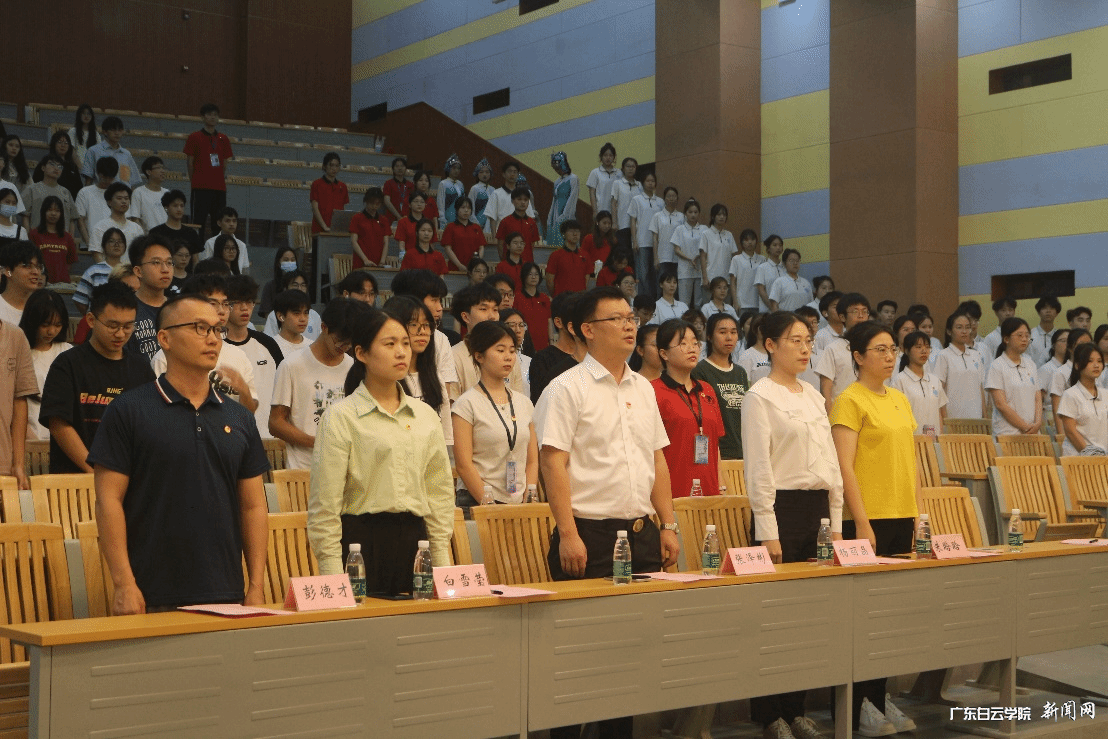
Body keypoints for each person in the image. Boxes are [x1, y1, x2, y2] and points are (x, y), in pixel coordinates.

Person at [535, 286, 680, 739]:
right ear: (587, 330)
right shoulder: (566, 388)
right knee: (578, 657)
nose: (629, 326)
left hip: (641, 534)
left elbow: (657, 459)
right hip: (590, 535)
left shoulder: (644, 388)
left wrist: (668, 525)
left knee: (629, 657)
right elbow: (552, 462)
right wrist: (568, 533)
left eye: (631, 318)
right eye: (616, 319)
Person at [90, 294, 269, 614]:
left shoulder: (240, 417)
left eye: (216, 329)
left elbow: (253, 506)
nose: (213, 338)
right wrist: (124, 583)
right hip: (150, 591)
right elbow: (108, 501)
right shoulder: (128, 410)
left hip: (226, 590)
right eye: (200, 328)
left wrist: (256, 585)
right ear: (165, 339)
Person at [742, 310, 843, 739]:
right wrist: (768, 530)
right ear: (770, 345)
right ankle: (770, 715)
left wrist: (836, 523)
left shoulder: (815, 396)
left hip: (818, 510)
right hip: (781, 511)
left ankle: (796, 709)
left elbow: (831, 463)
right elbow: (759, 468)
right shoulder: (759, 396)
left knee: (807, 619)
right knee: (774, 619)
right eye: (795, 341)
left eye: (809, 341)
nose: (805, 349)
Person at [308, 303, 453, 596]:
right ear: (361, 353)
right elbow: (325, 507)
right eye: (390, 344)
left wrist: (442, 565)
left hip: (416, 544)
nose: (401, 352)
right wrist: (332, 577)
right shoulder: (341, 417)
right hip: (361, 547)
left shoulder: (425, 416)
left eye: (405, 343)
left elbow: (439, 496)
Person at [829, 321, 919, 737]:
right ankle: (857, 703)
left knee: (891, 617)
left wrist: (918, 516)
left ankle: (880, 698)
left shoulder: (900, 398)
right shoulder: (849, 400)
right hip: (866, 519)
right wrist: (861, 522)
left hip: (902, 516)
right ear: (858, 356)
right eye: (880, 349)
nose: (889, 356)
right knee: (863, 615)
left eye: (892, 349)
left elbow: (909, 462)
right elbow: (844, 467)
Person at [40, 282, 155, 473]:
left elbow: (149, 425)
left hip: (126, 478)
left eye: (128, 326)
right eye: (112, 326)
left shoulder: (141, 368)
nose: (120, 334)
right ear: (91, 320)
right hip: (76, 478)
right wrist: (94, 471)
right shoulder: (67, 364)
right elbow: (59, 424)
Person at [453, 320, 539, 505]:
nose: (508, 357)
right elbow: (464, 465)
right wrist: (489, 505)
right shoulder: (466, 404)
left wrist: (529, 498)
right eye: (500, 350)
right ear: (479, 356)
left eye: (512, 351)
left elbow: (532, 460)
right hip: (478, 501)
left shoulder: (524, 403)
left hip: (519, 501)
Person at [270, 298, 361, 470]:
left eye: (350, 342)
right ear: (324, 327)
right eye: (340, 340)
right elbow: (275, 423)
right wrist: (318, 442)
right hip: (303, 470)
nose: (344, 346)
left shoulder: (353, 368)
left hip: (344, 469)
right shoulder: (292, 365)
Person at [652, 319, 726, 498]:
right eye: (683, 344)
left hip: (710, 491)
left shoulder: (707, 389)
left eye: (695, 343)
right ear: (664, 353)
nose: (692, 348)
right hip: (672, 493)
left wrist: (722, 487)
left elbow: (715, 446)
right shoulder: (652, 391)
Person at [382, 296, 451, 449]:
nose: (423, 332)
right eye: (413, 325)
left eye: (426, 325)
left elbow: (445, 438)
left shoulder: (435, 378)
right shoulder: (382, 380)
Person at [224, 275, 283, 437]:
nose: (245, 308)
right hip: (229, 435)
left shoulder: (267, 344)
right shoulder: (214, 346)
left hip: (268, 434)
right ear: (225, 305)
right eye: (237, 302)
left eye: (249, 301)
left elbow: (284, 389)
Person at [450, 283, 525, 395]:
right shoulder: (454, 356)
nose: (492, 316)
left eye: (495, 309)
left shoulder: (509, 355)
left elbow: (519, 398)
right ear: (466, 317)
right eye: (484, 309)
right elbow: (452, 403)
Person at [693, 313, 749, 460]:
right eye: (722, 332)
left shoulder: (740, 372)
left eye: (733, 332)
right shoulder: (700, 371)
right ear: (709, 336)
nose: (729, 337)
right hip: (715, 452)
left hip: (742, 450)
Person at [20, 290, 71, 441]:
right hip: (29, 436)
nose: (51, 331)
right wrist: (31, 439)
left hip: (64, 438)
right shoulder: (20, 352)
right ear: (32, 321)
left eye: (58, 325)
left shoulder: (67, 351)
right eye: (45, 324)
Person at [184, 103, 234, 237]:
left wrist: (217, 178)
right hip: (200, 187)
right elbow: (190, 163)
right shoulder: (194, 137)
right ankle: (197, 250)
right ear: (203, 117)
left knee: (218, 224)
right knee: (198, 223)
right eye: (209, 114)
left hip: (219, 188)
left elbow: (224, 164)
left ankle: (216, 250)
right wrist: (195, 181)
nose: (213, 117)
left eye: (215, 115)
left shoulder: (223, 138)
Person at [815, 293, 872, 411]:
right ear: (842, 317)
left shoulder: (874, 347)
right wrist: (830, 416)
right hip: (843, 413)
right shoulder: (833, 349)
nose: (861, 316)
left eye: (864, 311)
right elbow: (826, 388)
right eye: (855, 311)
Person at [986, 317, 1042, 436]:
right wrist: (1025, 427)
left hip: (1033, 432)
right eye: (1019, 335)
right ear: (1006, 339)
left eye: (1027, 336)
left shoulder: (1031, 364)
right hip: (1007, 433)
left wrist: (1037, 423)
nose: (1024, 339)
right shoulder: (997, 366)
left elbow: (1037, 398)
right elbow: (1001, 404)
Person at [125, 235, 173, 362]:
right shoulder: (126, 309)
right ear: (138, 271)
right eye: (156, 262)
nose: (165, 269)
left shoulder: (179, 308)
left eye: (169, 263)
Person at [529, 291, 582, 403]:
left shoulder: (593, 356)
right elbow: (539, 403)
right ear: (558, 322)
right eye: (576, 317)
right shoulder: (542, 360)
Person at [891, 331, 947, 435]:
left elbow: (939, 413)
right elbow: (896, 416)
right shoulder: (899, 381)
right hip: (911, 440)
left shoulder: (935, 380)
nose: (924, 351)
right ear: (906, 350)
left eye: (927, 347)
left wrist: (940, 439)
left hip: (934, 441)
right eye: (918, 347)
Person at [934, 311, 987, 419]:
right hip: (953, 419)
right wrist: (944, 419)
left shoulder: (976, 355)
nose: (964, 331)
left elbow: (980, 388)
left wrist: (985, 417)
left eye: (967, 327)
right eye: (959, 327)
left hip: (976, 418)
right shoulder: (943, 355)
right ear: (949, 331)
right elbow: (939, 390)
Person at [1058, 343, 1107, 457]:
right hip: (1078, 458)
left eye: (1099, 361)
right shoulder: (1070, 395)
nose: (1096, 365)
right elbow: (1070, 432)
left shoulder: (1105, 394)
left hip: (1103, 458)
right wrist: (1092, 455)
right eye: (1090, 361)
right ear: (1077, 365)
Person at [1047, 329, 1092, 432]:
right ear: (1070, 348)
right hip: (1071, 429)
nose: (1086, 348)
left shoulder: (1094, 370)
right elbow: (1057, 407)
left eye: (1089, 344)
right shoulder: (1061, 373)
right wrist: (1061, 434)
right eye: (1081, 344)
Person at [22, 154, 77, 236]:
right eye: (52, 164)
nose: (56, 168)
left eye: (60, 166)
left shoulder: (66, 192)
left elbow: (72, 219)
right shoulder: (32, 189)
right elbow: (25, 216)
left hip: (61, 239)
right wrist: (28, 236)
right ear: (43, 168)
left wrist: (70, 238)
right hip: (38, 237)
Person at [73, 228, 127, 312]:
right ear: (103, 246)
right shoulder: (93, 271)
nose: (116, 244)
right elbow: (80, 300)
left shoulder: (129, 271)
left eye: (120, 241)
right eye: (111, 241)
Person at [628, 172, 663, 297]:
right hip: (642, 242)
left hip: (657, 244)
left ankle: (655, 301)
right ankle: (642, 300)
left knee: (655, 274)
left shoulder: (660, 202)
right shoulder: (636, 199)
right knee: (643, 274)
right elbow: (633, 221)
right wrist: (634, 241)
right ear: (643, 183)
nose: (650, 183)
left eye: (653, 181)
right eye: (648, 181)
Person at [80, 116, 141, 187]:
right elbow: (88, 179)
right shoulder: (93, 151)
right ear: (104, 132)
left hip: (123, 192)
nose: (117, 133)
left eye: (120, 130)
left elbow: (131, 182)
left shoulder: (126, 154)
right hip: (102, 192)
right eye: (113, 130)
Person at [89, 183, 144, 261]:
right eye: (119, 198)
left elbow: (141, 254)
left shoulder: (137, 228)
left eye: (126, 198)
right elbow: (97, 254)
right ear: (109, 202)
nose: (124, 201)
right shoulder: (100, 227)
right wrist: (109, 269)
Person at [29, 195, 78, 283]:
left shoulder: (67, 237)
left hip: (62, 283)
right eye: (49, 210)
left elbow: (70, 262)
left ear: (61, 214)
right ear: (43, 212)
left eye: (57, 210)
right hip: (40, 283)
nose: (53, 213)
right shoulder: (34, 234)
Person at [262, 269, 322, 340]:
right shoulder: (274, 315)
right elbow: (268, 341)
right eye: (295, 285)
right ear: (286, 288)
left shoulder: (314, 315)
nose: (299, 288)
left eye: (303, 285)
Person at [75, 157, 120, 248]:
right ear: (99, 174)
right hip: (91, 245)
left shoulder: (119, 194)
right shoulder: (85, 192)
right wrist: (89, 243)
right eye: (105, 177)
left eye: (111, 178)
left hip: (115, 246)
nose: (108, 181)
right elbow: (80, 220)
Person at [671, 199, 708, 308]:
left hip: (700, 270)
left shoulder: (704, 229)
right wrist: (689, 259)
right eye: (690, 212)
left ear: (699, 213)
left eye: (695, 212)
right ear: (685, 213)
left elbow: (707, 248)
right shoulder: (680, 229)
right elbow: (676, 249)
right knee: (684, 302)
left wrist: (698, 257)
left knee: (699, 303)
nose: (693, 215)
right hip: (684, 270)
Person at [150, 190, 204, 262]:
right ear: (166, 208)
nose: (179, 209)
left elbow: (195, 259)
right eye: (175, 206)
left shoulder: (191, 233)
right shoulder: (156, 233)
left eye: (182, 206)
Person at [698, 204, 737, 302]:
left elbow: (734, 257)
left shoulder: (729, 235)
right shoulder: (706, 234)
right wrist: (705, 278)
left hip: (726, 280)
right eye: (719, 214)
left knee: (725, 308)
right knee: (709, 308)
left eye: (724, 215)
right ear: (713, 216)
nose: (722, 217)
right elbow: (702, 257)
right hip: (710, 279)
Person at [0, 240, 43, 325]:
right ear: (8, 271)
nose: (36, 272)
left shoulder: (44, 309)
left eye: (38, 267)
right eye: (27, 266)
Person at [32, 131, 84, 199]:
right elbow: (36, 181)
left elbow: (79, 187)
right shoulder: (46, 161)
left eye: (66, 143)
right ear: (54, 144)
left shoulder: (72, 166)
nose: (63, 145)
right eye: (59, 142)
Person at [545, 220, 591, 296]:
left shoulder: (585, 255)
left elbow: (586, 278)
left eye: (577, 231)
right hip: (561, 298)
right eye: (571, 231)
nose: (575, 234)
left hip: (579, 298)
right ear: (563, 234)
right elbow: (549, 281)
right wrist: (557, 296)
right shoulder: (556, 255)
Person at [495, 186, 540, 262]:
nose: (523, 202)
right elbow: (500, 244)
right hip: (509, 263)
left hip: (527, 263)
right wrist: (504, 261)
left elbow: (532, 244)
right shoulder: (505, 222)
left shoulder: (532, 222)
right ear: (512, 201)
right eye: (519, 199)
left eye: (525, 200)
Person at [441, 196, 485, 272]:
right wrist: (459, 265)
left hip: (474, 270)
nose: (466, 210)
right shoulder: (450, 227)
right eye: (463, 207)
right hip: (455, 268)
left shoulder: (476, 227)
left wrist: (477, 263)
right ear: (457, 209)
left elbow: (481, 247)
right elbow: (447, 248)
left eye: (469, 208)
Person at [199, 207, 249, 273]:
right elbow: (205, 267)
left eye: (234, 221)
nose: (231, 224)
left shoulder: (242, 245)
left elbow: (245, 269)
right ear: (219, 223)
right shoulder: (210, 243)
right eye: (227, 221)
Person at [728, 228, 766, 314]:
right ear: (742, 242)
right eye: (746, 240)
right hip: (742, 304)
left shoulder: (762, 259)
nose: (750, 242)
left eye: (752, 239)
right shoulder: (736, 259)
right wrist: (735, 302)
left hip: (759, 304)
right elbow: (732, 282)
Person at [349, 187, 389, 268]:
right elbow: (354, 241)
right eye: (372, 203)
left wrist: (382, 261)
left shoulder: (384, 220)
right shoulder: (357, 218)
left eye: (377, 204)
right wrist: (365, 259)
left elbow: (386, 242)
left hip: (378, 264)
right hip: (361, 263)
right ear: (366, 201)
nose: (374, 206)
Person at [310, 153, 348, 234]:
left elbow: (342, 210)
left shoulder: (343, 186)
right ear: (324, 166)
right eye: (331, 165)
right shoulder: (316, 184)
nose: (334, 168)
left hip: (336, 231)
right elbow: (315, 208)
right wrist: (324, 227)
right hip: (319, 231)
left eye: (337, 166)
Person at [650, 185, 684, 279]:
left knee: (675, 283)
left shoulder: (681, 217)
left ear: (677, 198)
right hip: (662, 257)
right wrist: (656, 258)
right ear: (664, 199)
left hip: (677, 258)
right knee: (662, 282)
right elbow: (655, 238)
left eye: (674, 196)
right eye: (669, 196)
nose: (671, 198)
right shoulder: (657, 216)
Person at [516, 263, 551, 351]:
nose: (533, 277)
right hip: (524, 344)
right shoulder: (517, 297)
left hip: (543, 344)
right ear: (524, 276)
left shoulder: (544, 298)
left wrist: (551, 341)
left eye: (536, 274)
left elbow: (549, 321)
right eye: (530, 274)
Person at [610, 157, 642, 252]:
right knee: (624, 252)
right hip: (622, 224)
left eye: (633, 166)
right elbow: (613, 203)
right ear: (623, 168)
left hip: (637, 226)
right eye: (628, 166)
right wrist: (614, 222)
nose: (630, 169)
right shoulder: (617, 183)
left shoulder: (639, 185)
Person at [269, 288, 314, 357]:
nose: (303, 319)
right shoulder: (269, 347)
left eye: (306, 313)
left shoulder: (313, 347)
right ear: (280, 316)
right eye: (296, 313)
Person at [258, 246, 299, 319]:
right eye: (286, 260)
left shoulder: (301, 285)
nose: (290, 262)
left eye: (293, 260)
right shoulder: (270, 286)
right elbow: (267, 313)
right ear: (279, 263)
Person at [1038, 329, 1069, 423]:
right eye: (1063, 341)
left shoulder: (1072, 368)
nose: (1067, 344)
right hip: (1051, 417)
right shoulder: (1046, 369)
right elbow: (1039, 398)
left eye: (1070, 341)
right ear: (1053, 345)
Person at [130, 156, 168, 232]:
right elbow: (135, 219)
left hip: (167, 236)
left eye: (163, 168)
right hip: (148, 236)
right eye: (158, 168)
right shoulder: (138, 192)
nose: (162, 171)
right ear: (148, 172)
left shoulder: (167, 193)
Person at [585, 142, 619, 218]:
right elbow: (592, 193)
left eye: (610, 155)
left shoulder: (619, 173)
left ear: (614, 157)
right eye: (605, 155)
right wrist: (595, 211)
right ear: (601, 156)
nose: (608, 158)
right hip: (601, 211)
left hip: (616, 211)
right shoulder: (595, 172)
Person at [754, 235, 786, 312]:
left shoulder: (785, 267)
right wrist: (773, 308)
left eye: (780, 245)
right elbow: (761, 291)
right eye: (774, 245)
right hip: (767, 311)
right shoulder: (762, 267)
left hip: (784, 310)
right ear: (768, 248)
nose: (778, 247)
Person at [738, 312, 772, 385]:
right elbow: (743, 385)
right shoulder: (747, 356)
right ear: (755, 329)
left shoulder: (777, 353)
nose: (767, 330)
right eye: (763, 326)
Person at [1028, 296, 1060, 367]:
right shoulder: (1029, 335)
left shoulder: (1060, 337)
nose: (1048, 311)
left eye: (1052, 308)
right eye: (1044, 308)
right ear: (1039, 312)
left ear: (1057, 313)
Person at [382, 156, 414, 225]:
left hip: (407, 219)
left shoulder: (410, 184)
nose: (400, 168)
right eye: (397, 166)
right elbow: (387, 201)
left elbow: (413, 202)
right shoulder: (388, 183)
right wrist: (398, 216)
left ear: (405, 168)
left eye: (402, 166)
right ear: (393, 169)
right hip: (391, 219)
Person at [437, 154, 465, 229]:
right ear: (448, 168)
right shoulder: (443, 183)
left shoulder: (460, 184)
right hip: (447, 218)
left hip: (460, 218)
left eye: (458, 168)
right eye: (454, 168)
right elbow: (440, 203)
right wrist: (442, 219)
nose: (456, 170)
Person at [468, 158, 495, 234]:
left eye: (487, 172)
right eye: (481, 172)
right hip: (476, 225)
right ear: (477, 174)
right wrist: (476, 223)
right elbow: (470, 208)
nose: (484, 174)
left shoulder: (493, 190)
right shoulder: (474, 189)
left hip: (490, 226)